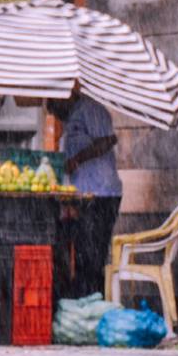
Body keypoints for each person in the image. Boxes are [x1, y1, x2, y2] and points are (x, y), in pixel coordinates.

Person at [47, 93, 122, 298]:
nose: (55, 113)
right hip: (83, 196)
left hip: (101, 195)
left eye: (54, 105)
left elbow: (108, 140)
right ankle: (83, 300)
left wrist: (77, 159)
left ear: (65, 96)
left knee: (92, 256)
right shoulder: (73, 117)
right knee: (81, 255)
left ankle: (92, 300)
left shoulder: (90, 109)